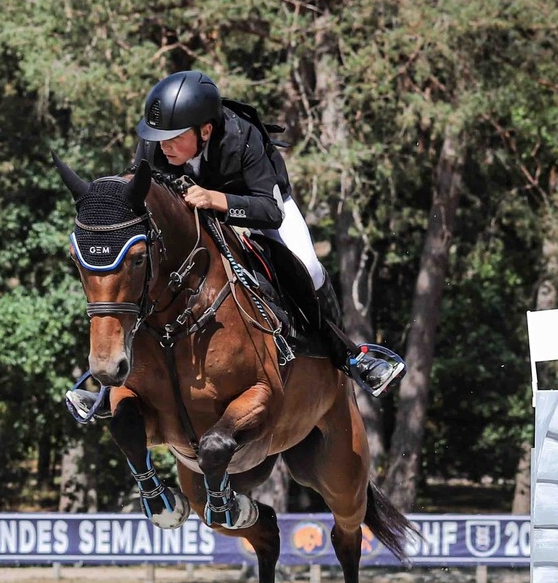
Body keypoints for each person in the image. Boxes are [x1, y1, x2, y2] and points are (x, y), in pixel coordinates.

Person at [130, 69, 404, 398]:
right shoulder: (154, 143)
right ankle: (121, 377)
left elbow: (270, 212)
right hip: (196, 212)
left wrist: (218, 200)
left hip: (259, 205)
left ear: (205, 130)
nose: (165, 146)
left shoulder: (242, 137)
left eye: (175, 138)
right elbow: (141, 196)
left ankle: (348, 357)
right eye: (161, 137)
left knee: (309, 267)